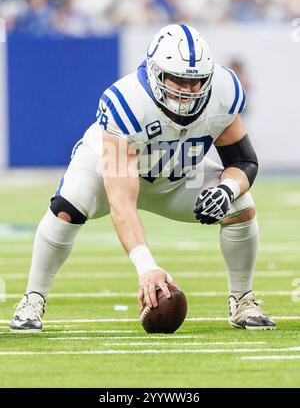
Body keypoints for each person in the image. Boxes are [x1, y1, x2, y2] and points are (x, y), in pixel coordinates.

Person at [10, 23, 275, 332]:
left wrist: (227, 189)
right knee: (69, 205)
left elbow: (243, 161)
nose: (186, 90)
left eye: (195, 81)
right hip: (106, 170)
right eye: (177, 79)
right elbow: (122, 201)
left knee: (241, 204)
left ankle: (242, 300)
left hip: (176, 177)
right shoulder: (129, 101)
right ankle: (32, 299)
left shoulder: (223, 91)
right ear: (155, 72)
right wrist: (147, 267)